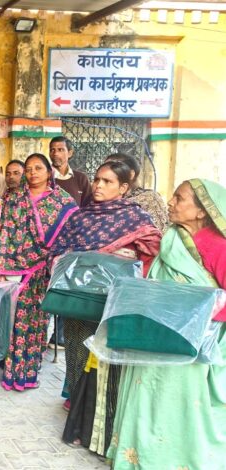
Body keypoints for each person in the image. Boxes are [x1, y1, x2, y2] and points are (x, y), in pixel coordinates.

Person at [107, 179, 226, 469]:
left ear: (202, 210)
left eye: (179, 198)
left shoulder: (219, 247)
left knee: (178, 401)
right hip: (157, 333)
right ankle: (142, 455)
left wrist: (194, 314)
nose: (170, 202)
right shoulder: (171, 238)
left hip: (191, 343)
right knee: (148, 393)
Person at [49, 161, 161, 455]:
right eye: (97, 179)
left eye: (107, 181)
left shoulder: (135, 218)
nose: (98, 185)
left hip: (115, 304)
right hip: (80, 301)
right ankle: (78, 422)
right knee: (77, 357)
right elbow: (57, 252)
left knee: (109, 364)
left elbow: (152, 253)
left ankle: (106, 427)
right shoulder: (80, 217)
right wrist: (78, 258)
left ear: (123, 187)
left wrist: (127, 256)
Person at [0, 153, 78, 391]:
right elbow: (4, 233)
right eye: (28, 169)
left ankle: (30, 373)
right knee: (16, 322)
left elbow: (70, 234)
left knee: (37, 323)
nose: (32, 173)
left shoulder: (62, 201)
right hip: (16, 270)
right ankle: (12, 374)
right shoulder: (15, 198)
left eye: (38, 168)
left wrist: (58, 261)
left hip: (44, 271)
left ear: (49, 172)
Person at [104, 153, 169, 232]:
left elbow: (158, 232)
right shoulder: (102, 200)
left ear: (131, 174)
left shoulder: (149, 199)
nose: (106, 175)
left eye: (113, 171)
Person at [49, 136, 92, 206]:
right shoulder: (44, 177)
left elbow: (88, 206)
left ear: (70, 153)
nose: (55, 153)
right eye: (52, 150)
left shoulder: (81, 179)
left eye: (60, 150)